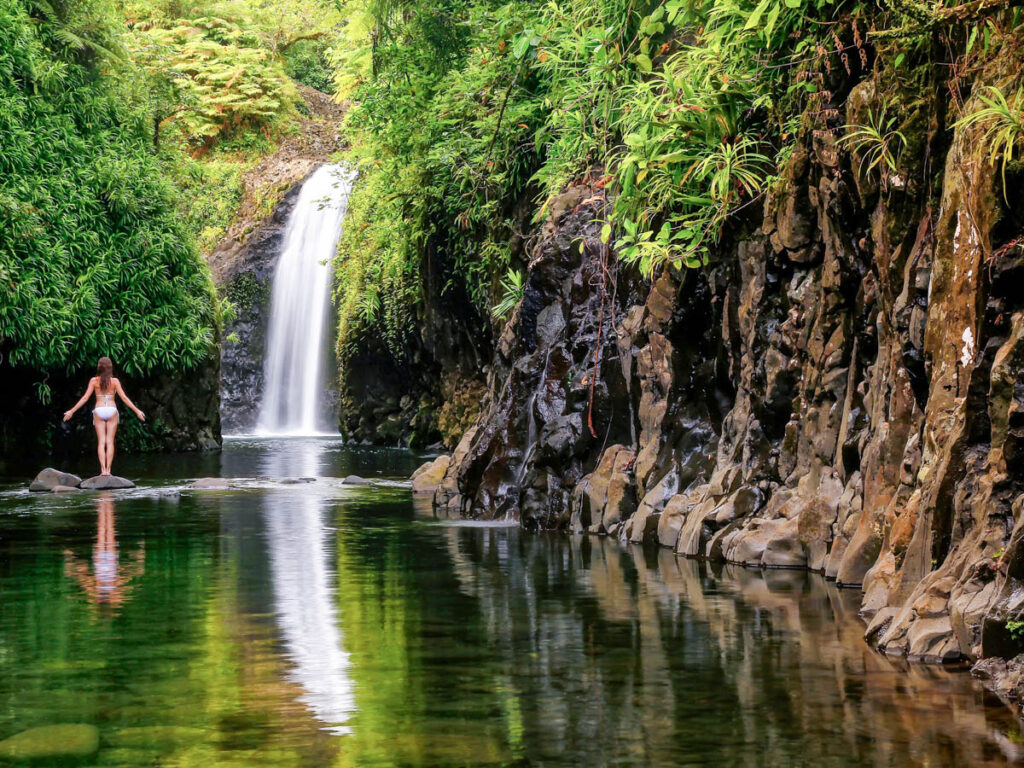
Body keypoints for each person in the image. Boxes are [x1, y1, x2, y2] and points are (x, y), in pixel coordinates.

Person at [63, 357, 146, 477]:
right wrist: (137, 411)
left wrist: (71, 411)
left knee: (101, 442)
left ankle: (103, 470)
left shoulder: (93, 381)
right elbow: (124, 398)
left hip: (99, 410)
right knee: (110, 442)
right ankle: (109, 470)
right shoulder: (115, 381)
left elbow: (85, 398)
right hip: (112, 410)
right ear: (110, 367)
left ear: (99, 367)